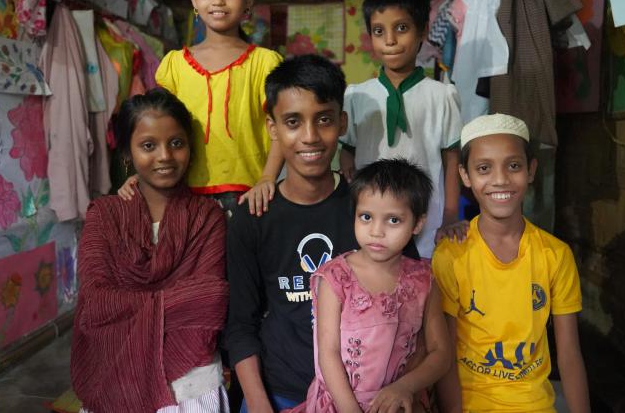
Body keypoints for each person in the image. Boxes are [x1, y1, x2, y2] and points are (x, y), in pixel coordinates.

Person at [225, 55, 421, 413]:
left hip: (369, 396)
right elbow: (240, 326)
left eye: (324, 120)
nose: (310, 137)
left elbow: (412, 306)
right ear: (272, 128)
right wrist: (258, 405)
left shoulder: (373, 211)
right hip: (279, 392)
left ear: (342, 122)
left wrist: (406, 388)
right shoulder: (252, 217)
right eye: (293, 122)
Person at [71, 88, 230, 412]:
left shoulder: (207, 216)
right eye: (148, 145)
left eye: (176, 143)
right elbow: (96, 303)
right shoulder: (104, 215)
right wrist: (177, 303)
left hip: (191, 387)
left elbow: (211, 302)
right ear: (127, 153)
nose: (165, 157)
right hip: (116, 381)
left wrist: (131, 311)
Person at [432, 114, 590, 413]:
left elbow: (568, 353)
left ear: (531, 170)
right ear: (465, 176)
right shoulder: (451, 255)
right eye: (483, 168)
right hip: (470, 404)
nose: (501, 179)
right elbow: (446, 355)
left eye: (513, 165)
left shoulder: (555, 254)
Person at [120, 0, 283, 214]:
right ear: (194, 0)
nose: (218, 1)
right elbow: (158, 129)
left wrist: (267, 179)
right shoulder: (174, 65)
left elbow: (280, 130)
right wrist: (145, 173)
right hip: (183, 195)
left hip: (251, 197)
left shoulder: (265, 63)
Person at [288, 158, 452, 413]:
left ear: (417, 224)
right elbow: (328, 354)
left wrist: (405, 387)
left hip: (399, 404)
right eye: (366, 217)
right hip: (340, 404)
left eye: (393, 220)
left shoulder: (424, 280)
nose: (376, 231)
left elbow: (441, 353)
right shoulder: (335, 277)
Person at [339, 0, 466, 259]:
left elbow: (452, 160)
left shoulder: (442, 95)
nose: (390, 40)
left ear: (422, 31)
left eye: (401, 28)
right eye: (379, 31)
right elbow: (347, 153)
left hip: (427, 221)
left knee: (423, 288)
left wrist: (449, 215)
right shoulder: (357, 96)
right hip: (373, 224)